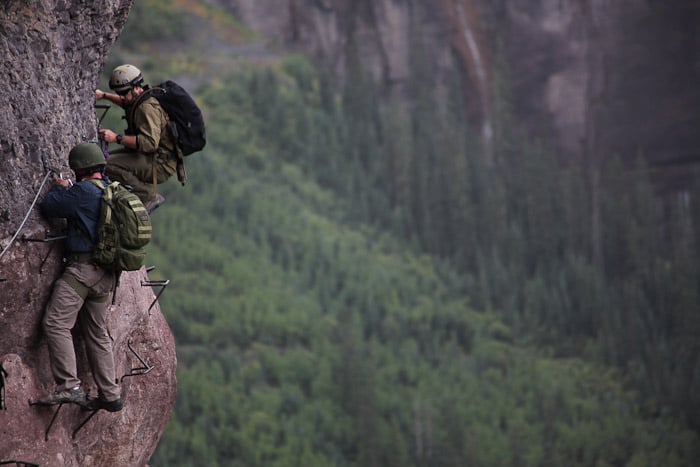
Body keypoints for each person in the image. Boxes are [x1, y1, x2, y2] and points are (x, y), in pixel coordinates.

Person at [37, 142, 123, 412]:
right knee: (97, 333)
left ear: (79, 168)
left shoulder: (83, 191)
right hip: (107, 276)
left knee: (56, 323)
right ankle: (110, 394)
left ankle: (69, 386)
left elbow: (50, 207)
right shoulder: (112, 190)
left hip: (82, 272)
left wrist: (63, 189)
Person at [96, 64, 177, 212]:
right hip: (150, 156)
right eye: (118, 92)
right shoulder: (140, 97)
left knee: (106, 165)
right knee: (99, 160)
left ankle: (147, 196)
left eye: (124, 92)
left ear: (136, 87)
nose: (121, 96)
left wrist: (116, 138)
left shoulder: (146, 108)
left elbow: (150, 143)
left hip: (160, 163)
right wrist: (105, 95)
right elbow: (126, 102)